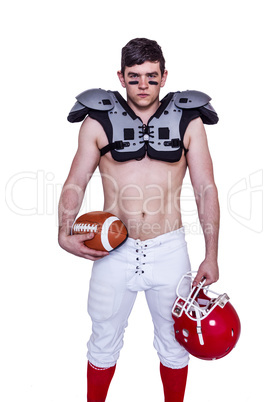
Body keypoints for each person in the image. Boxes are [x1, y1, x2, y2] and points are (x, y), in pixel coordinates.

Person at [58, 38, 220, 402]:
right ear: (121, 77)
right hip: (113, 250)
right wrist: (63, 231)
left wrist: (211, 255)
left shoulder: (189, 119)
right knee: (102, 341)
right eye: (134, 77)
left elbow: (205, 188)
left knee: (176, 344)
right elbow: (76, 181)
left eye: (151, 76)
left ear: (164, 76)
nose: (143, 85)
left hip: (169, 249)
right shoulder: (96, 120)